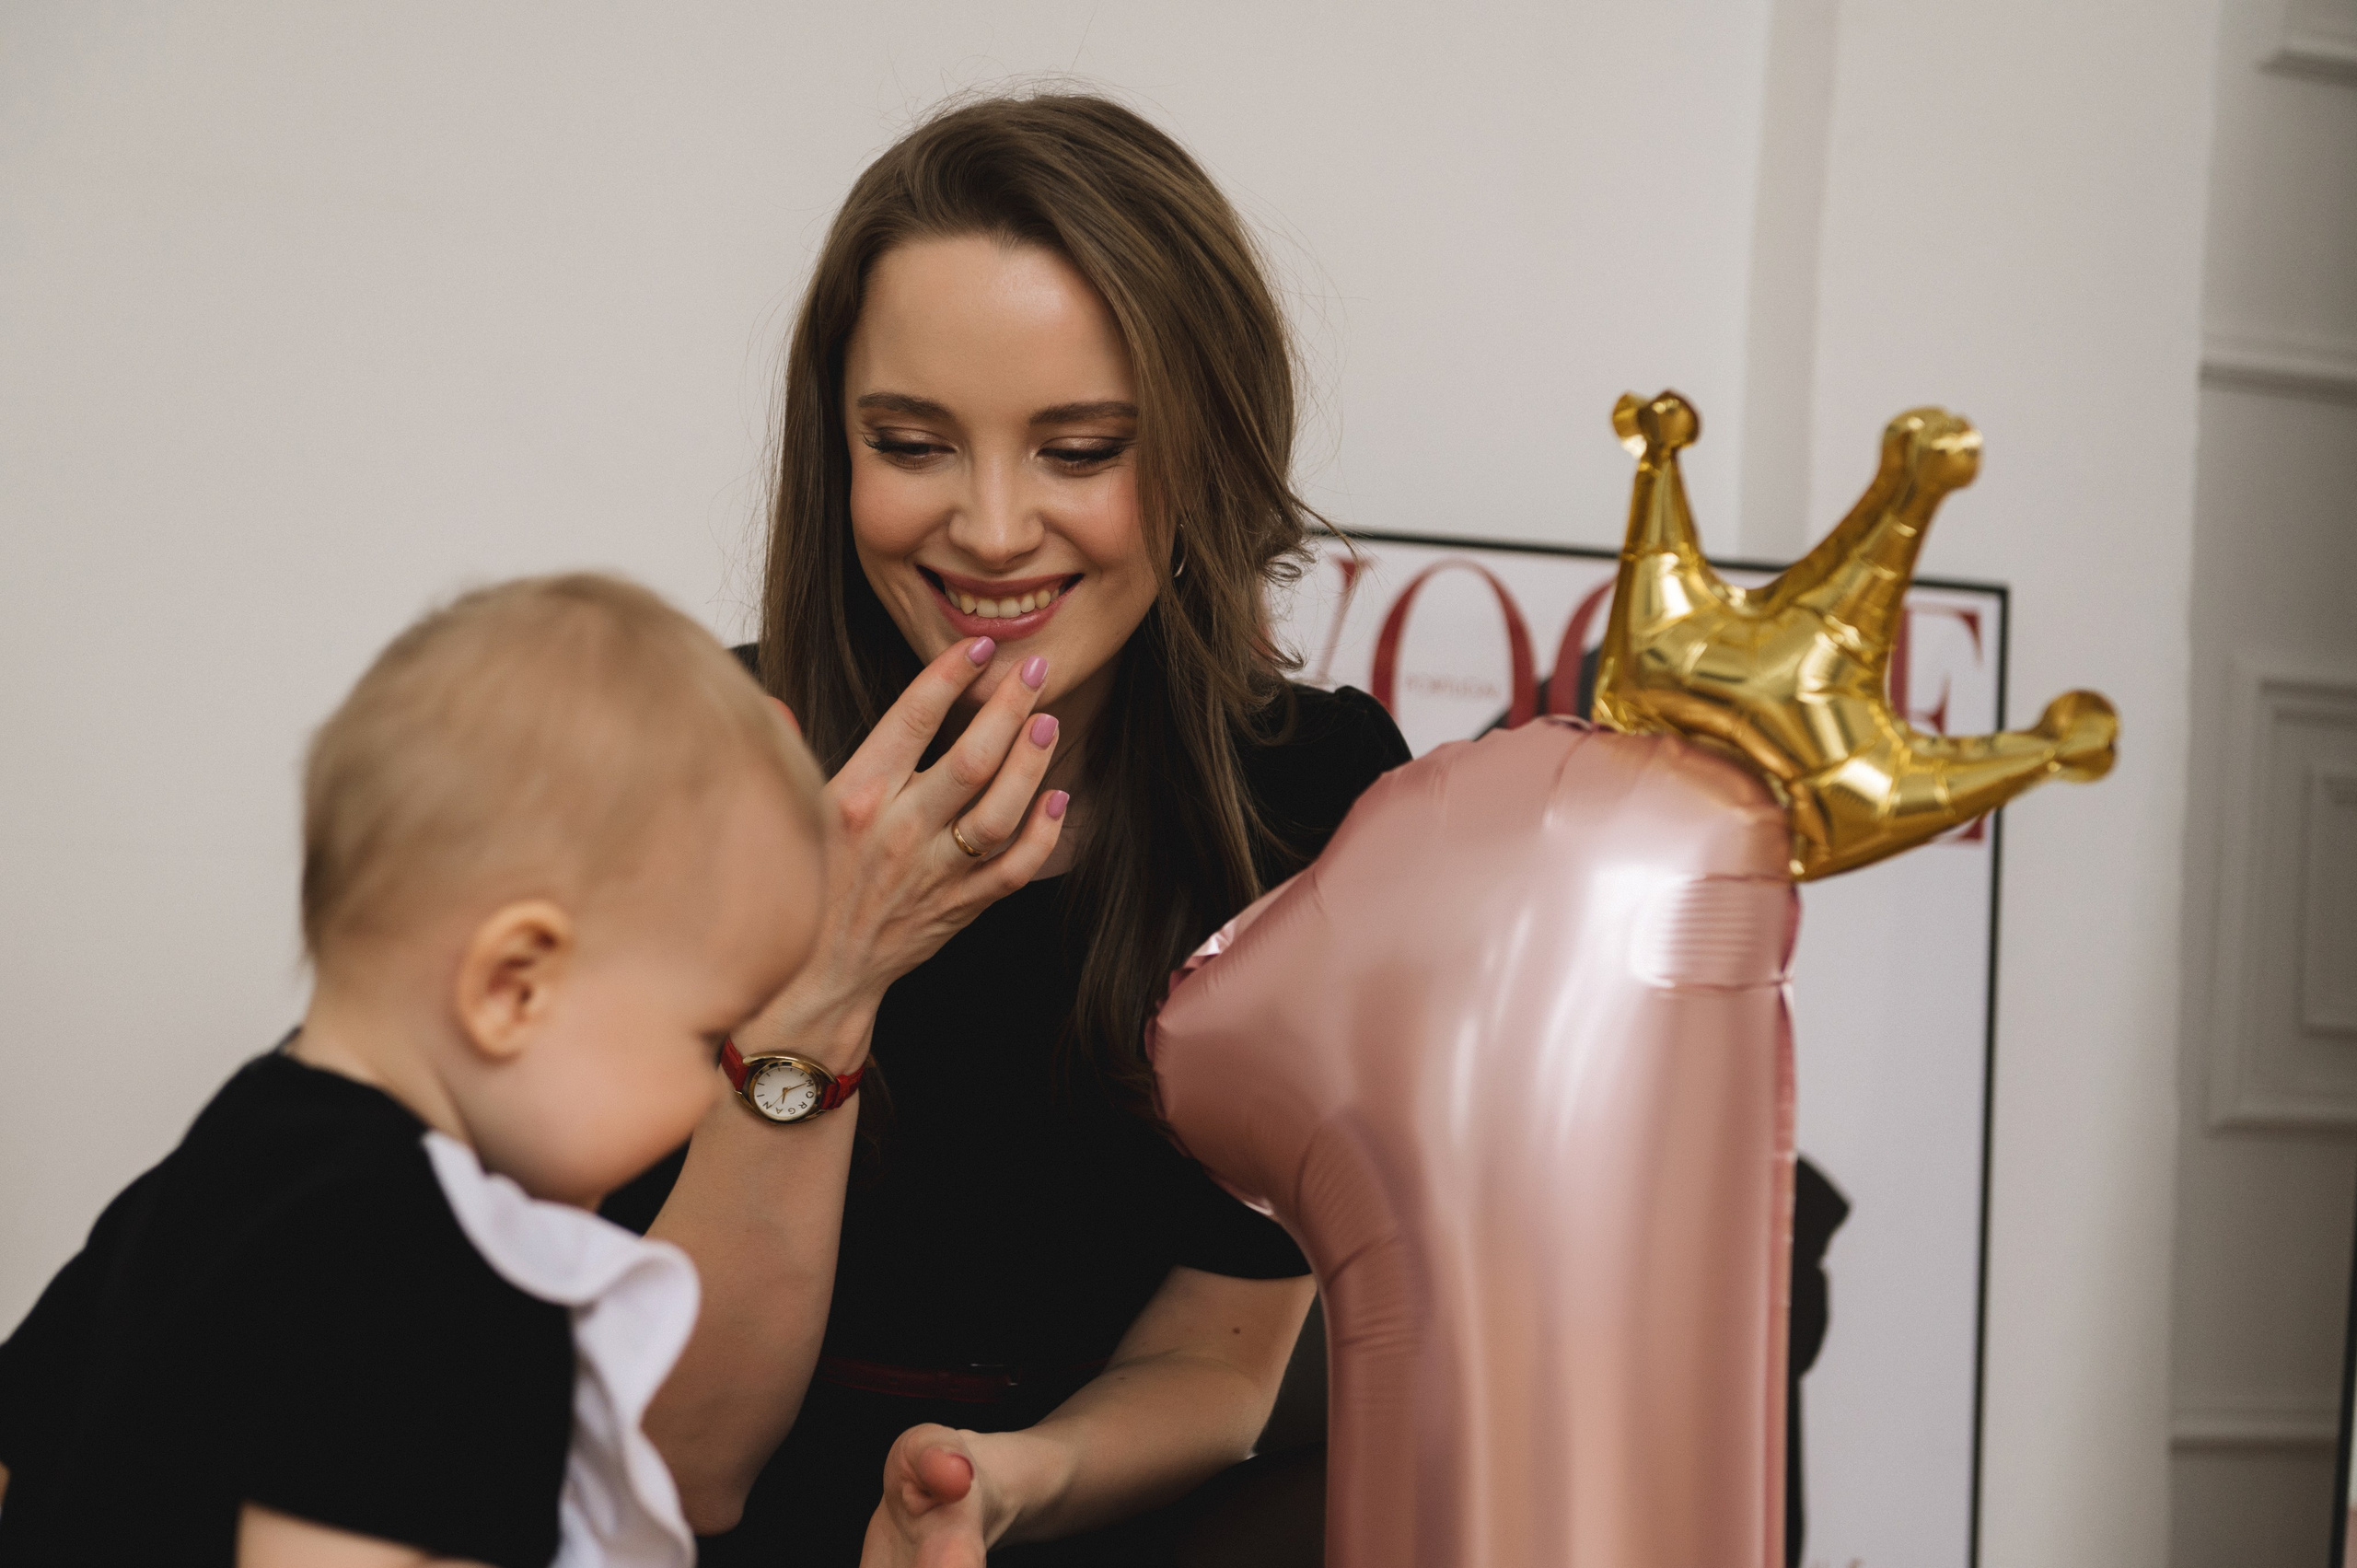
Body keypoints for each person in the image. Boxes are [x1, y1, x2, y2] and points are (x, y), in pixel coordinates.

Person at [600, 94, 1411, 1566]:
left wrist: (1003, 1481)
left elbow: (1223, 1356)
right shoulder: (687, 772)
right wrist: (832, 980)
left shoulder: (1317, 797)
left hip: (1098, 1504)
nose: (987, 527)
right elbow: (684, 1461)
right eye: (912, 442)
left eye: (1080, 449)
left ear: (1203, 452)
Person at [0, 575, 829, 1568]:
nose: (707, 1092)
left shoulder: (227, 1159)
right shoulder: (436, 1273)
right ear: (513, 986)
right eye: (705, 1039)